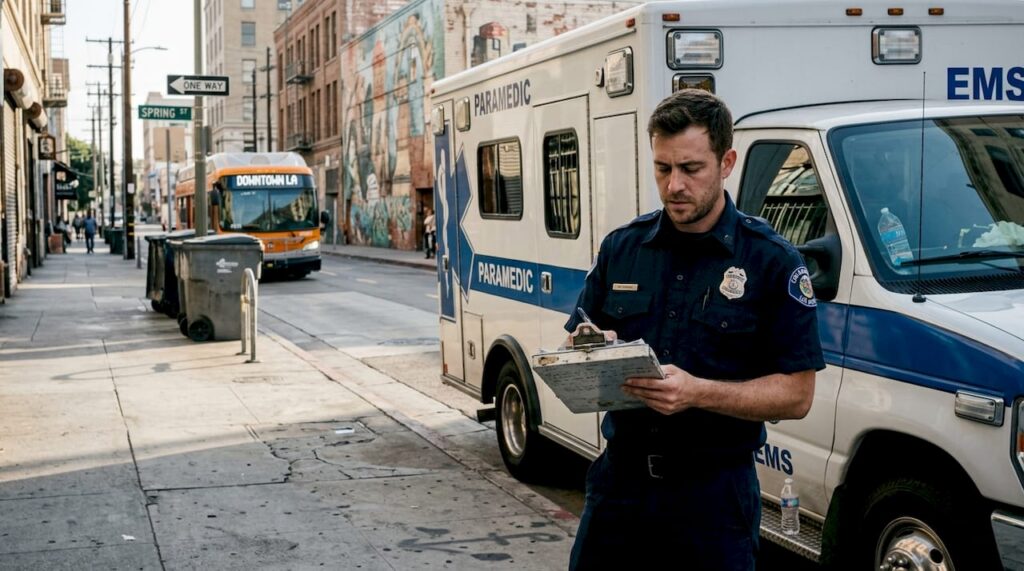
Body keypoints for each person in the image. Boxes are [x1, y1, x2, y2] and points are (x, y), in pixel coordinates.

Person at [565, 89, 825, 571]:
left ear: (726, 162)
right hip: (619, 490)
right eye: (663, 168)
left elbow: (797, 394)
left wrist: (697, 393)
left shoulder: (771, 262)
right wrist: (589, 350)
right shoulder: (623, 248)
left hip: (713, 502)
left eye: (691, 169)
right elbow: (576, 341)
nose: (673, 185)